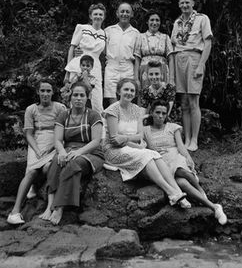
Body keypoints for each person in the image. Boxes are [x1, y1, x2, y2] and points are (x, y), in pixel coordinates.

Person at [103, 78, 191, 209]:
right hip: (114, 150)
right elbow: (114, 140)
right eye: (126, 89)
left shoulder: (137, 110)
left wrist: (127, 139)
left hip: (131, 147)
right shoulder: (112, 110)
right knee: (147, 155)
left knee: (154, 154)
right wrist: (132, 143)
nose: (129, 92)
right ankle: (171, 192)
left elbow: (139, 135)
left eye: (132, 90)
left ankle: (177, 191)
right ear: (118, 91)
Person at [144, 100, 227, 225]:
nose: (160, 116)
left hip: (175, 155)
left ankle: (200, 190)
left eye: (163, 113)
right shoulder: (145, 130)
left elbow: (181, 146)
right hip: (161, 160)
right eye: (157, 112)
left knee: (179, 169)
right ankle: (215, 207)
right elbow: (149, 149)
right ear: (151, 112)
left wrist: (188, 157)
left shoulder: (173, 127)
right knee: (181, 183)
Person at [42, 81, 104, 225]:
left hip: (91, 153)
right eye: (75, 95)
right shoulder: (63, 115)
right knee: (58, 160)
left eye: (82, 95)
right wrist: (62, 151)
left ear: (87, 98)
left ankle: (59, 207)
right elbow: (57, 140)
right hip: (68, 149)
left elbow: (96, 141)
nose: (78, 98)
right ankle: (49, 206)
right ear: (70, 97)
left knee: (72, 164)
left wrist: (79, 152)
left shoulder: (94, 115)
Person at [7, 79, 66, 225]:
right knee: (32, 172)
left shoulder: (60, 107)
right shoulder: (31, 109)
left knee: (47, 168)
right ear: (38, 92)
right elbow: (28, 134)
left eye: (48, 91)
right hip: (37, 142)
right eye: (42, 91)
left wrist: (54, 147)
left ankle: (37, 189)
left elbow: (64, 131)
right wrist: (37, 150)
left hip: (56, 142)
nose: (45, 94)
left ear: (53, 92)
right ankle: (15, 212)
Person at [171, 0, 213, 151]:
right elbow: (173, 44)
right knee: (183, 102)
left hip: (194, 59)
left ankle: (194, 139)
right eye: (182, 2)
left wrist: (201, 64)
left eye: (187, 2)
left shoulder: (202, 19)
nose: (184, 5)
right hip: (179, 60)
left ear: (193, 3)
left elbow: (208, 43)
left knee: (194, 101)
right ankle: (187, 138)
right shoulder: (177, 23)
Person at [64, 3, 106, 113]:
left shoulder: (104, 33)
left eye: (101, 14)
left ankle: (98, 126)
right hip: (79, 62)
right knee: (76, 94)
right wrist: (67, 72)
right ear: (91, 16)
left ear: (104, 17)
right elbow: (72, 48)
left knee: (96, 98)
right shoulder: (82, 28)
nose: (98, 16)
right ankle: (74, 124)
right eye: (95, 14)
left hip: (95, 66)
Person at [104, 3, 139, 105]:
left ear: (131, 14)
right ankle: (115, 120)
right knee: (112, 99)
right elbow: (102, 50)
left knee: (127, 97)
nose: (124, 14)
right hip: (112, 66)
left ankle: (126, 120)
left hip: (128, 67)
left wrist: (136, 77)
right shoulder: (108, 31)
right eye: (122, 11)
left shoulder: (136, 33)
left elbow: (137, 56)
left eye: (127, 12)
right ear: (117, 13)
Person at [134, 10, 175, 89]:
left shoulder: (165, 37)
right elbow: (137, 58)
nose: (154, 23)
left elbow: (171, 59)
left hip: (161, 71)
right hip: (145, 71)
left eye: (157, 20)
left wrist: (171, 79)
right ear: (147, 22)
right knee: (145, 96)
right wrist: (136, 78)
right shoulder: (140, 37)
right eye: (152, 20)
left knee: (161, 95)